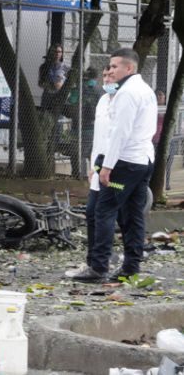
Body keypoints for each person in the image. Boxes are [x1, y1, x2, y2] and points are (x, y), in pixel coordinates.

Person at [71, 48, 157, 283]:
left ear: (129, 68)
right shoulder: (136, 91)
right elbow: (105, 134)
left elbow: (121, 133)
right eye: (107, 69)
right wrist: (97, 162)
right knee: (131, 214)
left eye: (114, 67)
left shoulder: (128, 93)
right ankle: (130, 266)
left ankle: (98, 266)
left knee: (104, 211)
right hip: (137, 160)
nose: (109, 72)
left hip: (124, 162)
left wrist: (107, 166)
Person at [65, 66, 115, 278]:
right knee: (93, 212)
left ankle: (106, 264)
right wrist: (94, 167)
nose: (106, 79)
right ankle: (94, 262)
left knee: (109, 214)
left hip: (118, 169)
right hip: (100, 166)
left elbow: (118, 138)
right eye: (104, 75)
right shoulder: (103, 100)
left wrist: (107, 166)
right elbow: (100, 139)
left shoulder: (127, 99)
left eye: (111, 74)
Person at [68, 67, 103, 178]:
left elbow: (71, 101)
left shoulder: (79, 88)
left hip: (78, 126)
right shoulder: (100, 90)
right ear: (96, 77)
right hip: (95, 127)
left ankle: (80, 176)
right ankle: (96, 176)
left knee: (78, 154)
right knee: (93, 154)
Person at [38, 43, 69, 111]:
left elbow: (68, 84)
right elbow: (40, 83)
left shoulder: (65, 68)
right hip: (47, 97)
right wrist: (49, 84)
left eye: (59, 52)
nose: (57, 54)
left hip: (59, 98)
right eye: (55, 52)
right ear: (51, 52)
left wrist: (60, 84)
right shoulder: (44, 67)